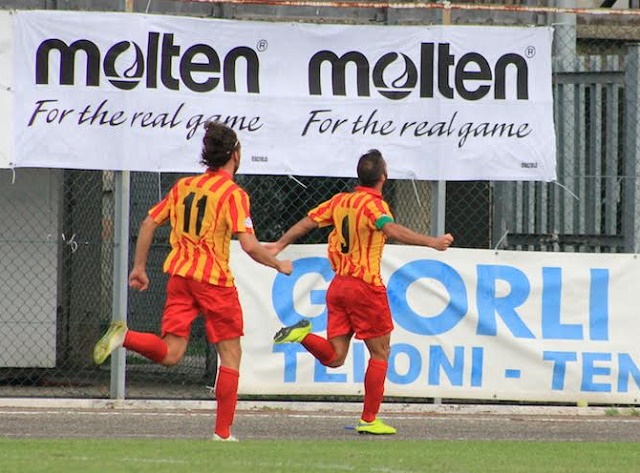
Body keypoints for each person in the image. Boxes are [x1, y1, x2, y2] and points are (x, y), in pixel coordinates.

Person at [93, 121, 293, 442]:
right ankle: (222, 433)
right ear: (236, 155)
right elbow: (249, 245)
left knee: (172, 353)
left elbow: (148, 223)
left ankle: (124, 336)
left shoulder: (184, 186)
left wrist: (140, 267)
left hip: (180, 277)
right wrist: (278, 264)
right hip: (214, 282)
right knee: (231, 356)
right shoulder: (233, 194)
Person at [268, 149, 453, 435]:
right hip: (365, 287)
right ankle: (368, 420)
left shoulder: (340, 201)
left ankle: (302, 334)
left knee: (335, 357)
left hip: (339, 284)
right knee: (380, 352)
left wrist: (279, 245)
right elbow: (390, 229)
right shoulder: (374, 206)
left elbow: (307, 222)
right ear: (383, 177)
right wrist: (432, 242)